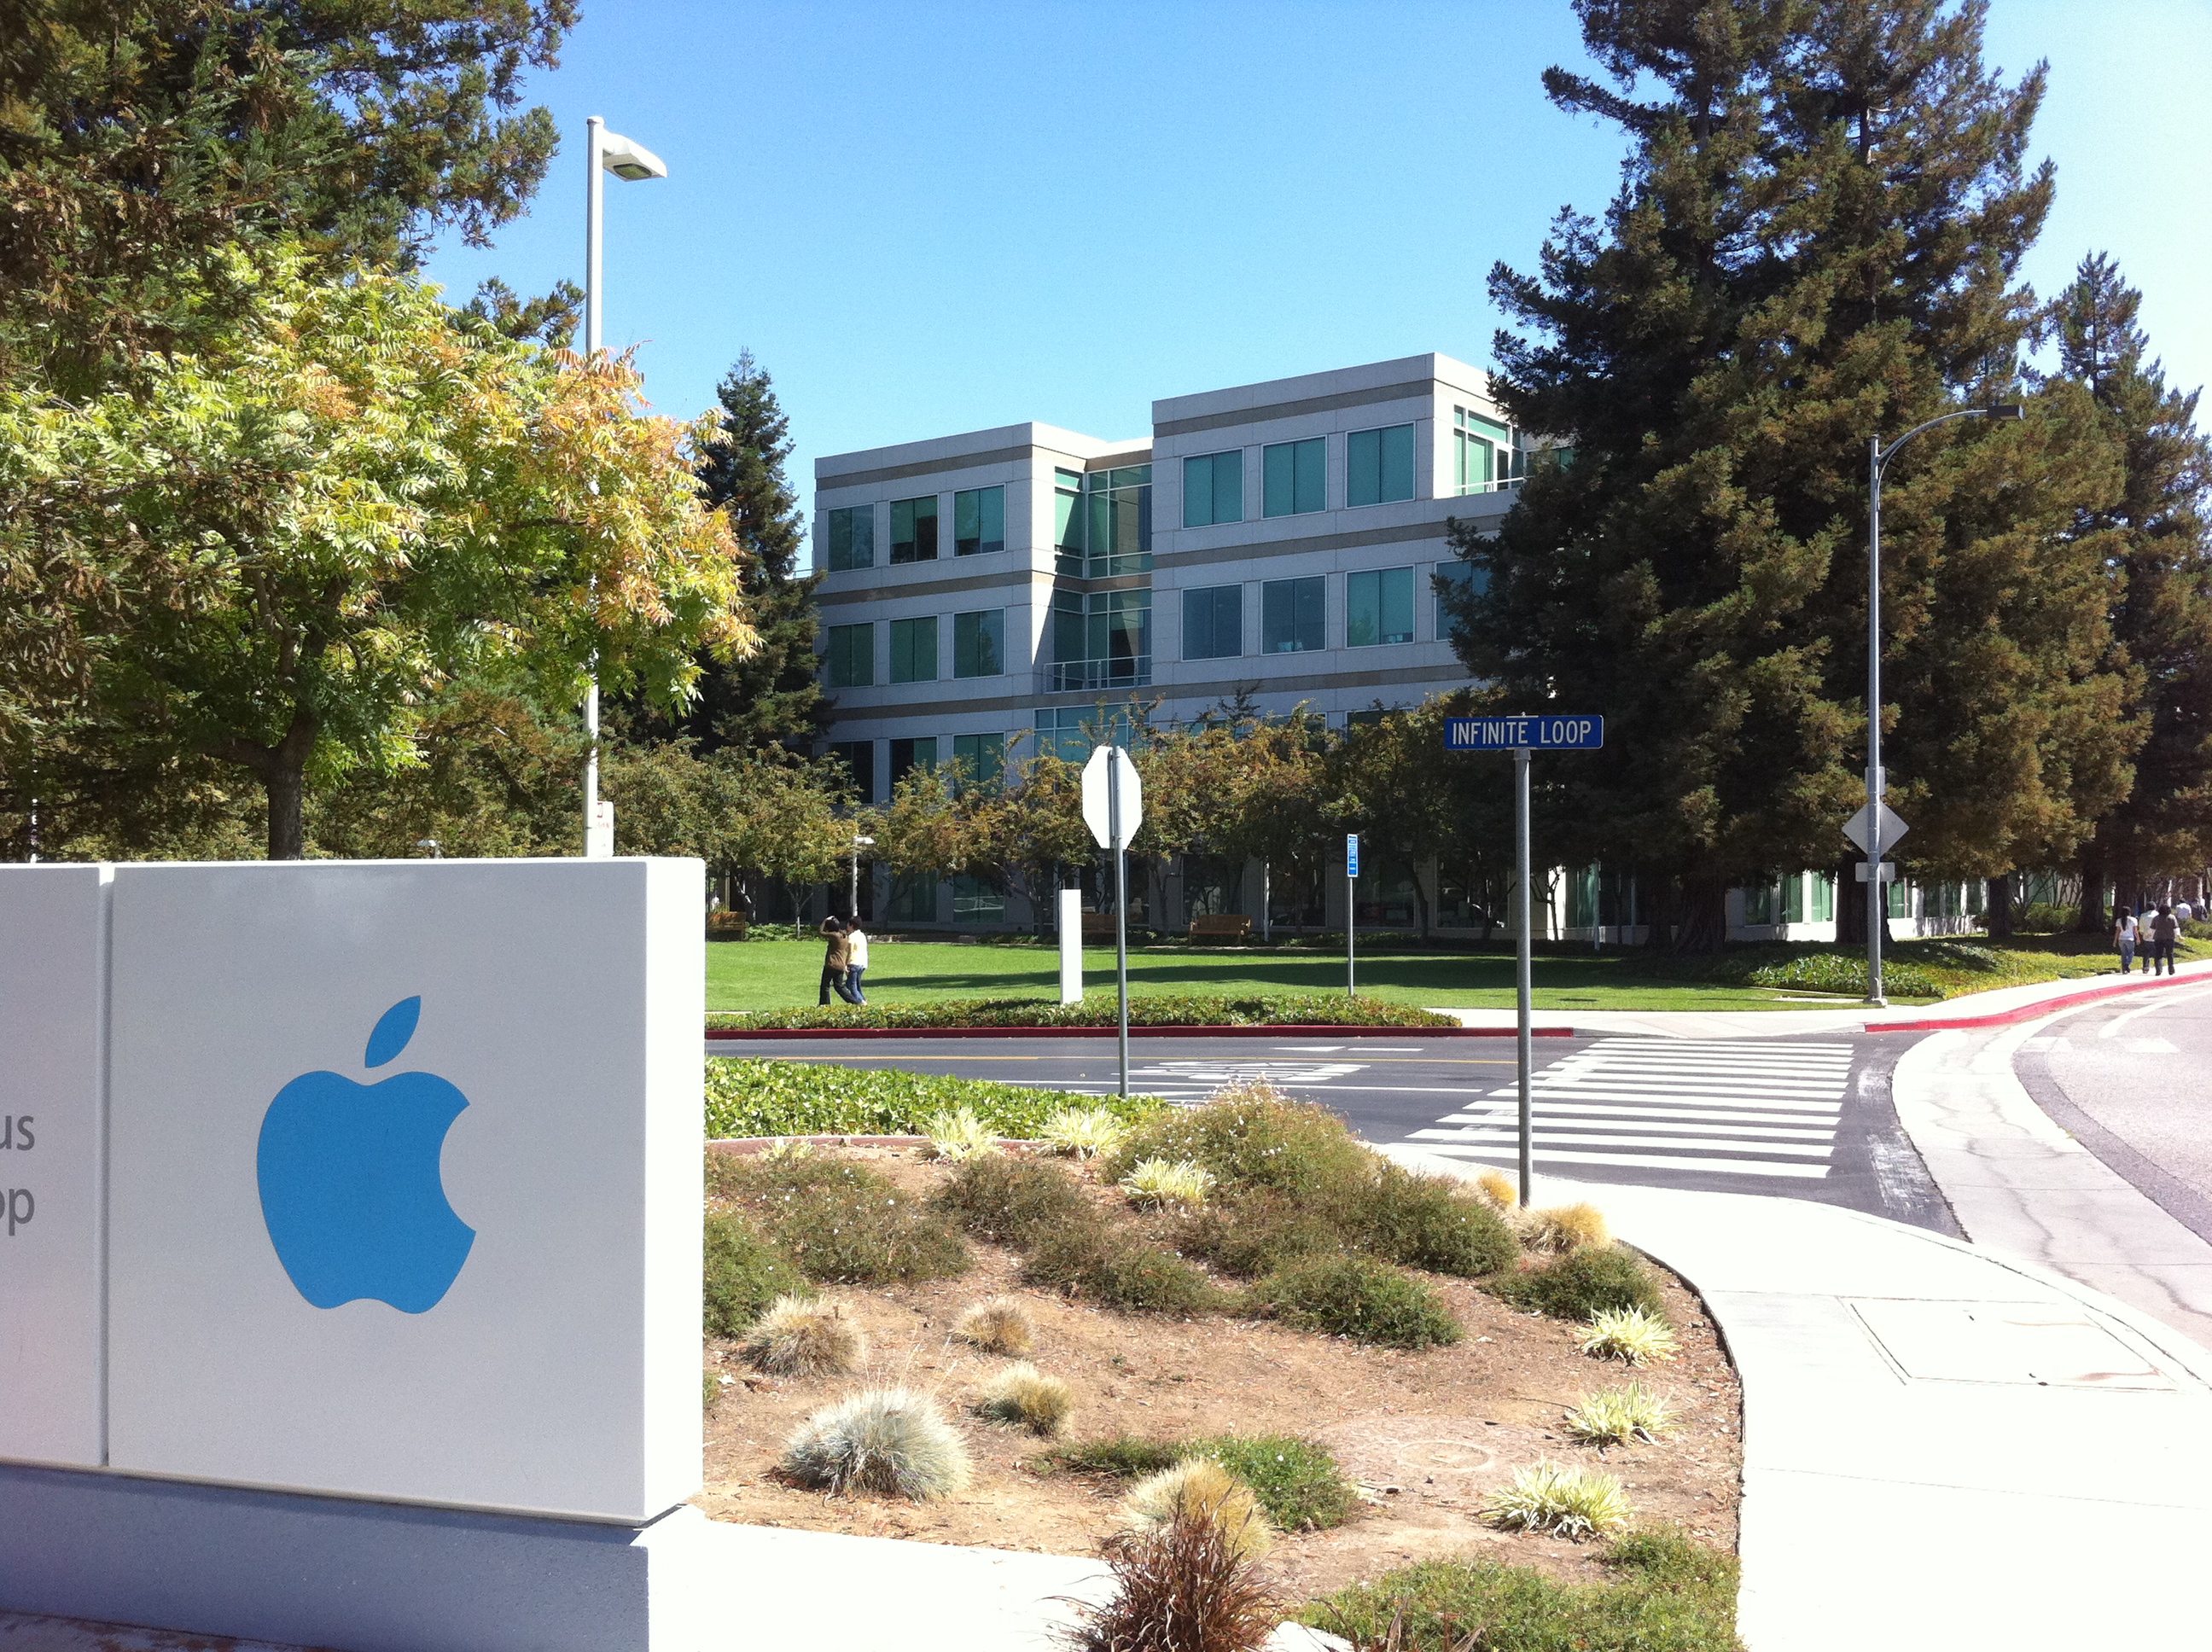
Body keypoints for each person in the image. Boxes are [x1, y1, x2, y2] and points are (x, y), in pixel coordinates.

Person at [818, 916, 853, 1005]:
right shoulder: (843, 935)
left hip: (832, 964)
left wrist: (825, 920)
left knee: (825, 986)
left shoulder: (834, 935)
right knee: (839, 987)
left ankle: (825, 1005)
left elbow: (820, 932)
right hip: (841, 965)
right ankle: (854, 1001)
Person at [2149, 904, 2180, 976]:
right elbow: (2176, 928)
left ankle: (2158, 970)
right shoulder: (2172, 917)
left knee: (2158, 955)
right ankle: (2171, 969)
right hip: (2169, 938)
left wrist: (2149, 935)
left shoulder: (2156, 918)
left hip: (2158, 938)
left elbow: (2152, 929)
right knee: (2170, 954)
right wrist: (2179, 935)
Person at [844, 918, 870, 1003]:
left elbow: (850, 952)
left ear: (851, 926)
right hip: (862, 963)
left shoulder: (852, 937)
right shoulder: (862, 935)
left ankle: (861, 1002)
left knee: (851, 986)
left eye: (848, 924)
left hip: (854, 963)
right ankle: (862, 998)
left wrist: (846, 964)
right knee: (856, 985)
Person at [2114, 905, 2138, 974]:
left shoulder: (2119, 920)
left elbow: (2117, 931)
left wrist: (2115, 941)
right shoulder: (2133, 920)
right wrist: (2138, 939)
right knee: (2131, 953)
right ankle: (2127, 963)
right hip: (2130, 939)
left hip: (2121, 939)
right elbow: (2135, 931)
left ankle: (2124, 969)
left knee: (2123, 954)